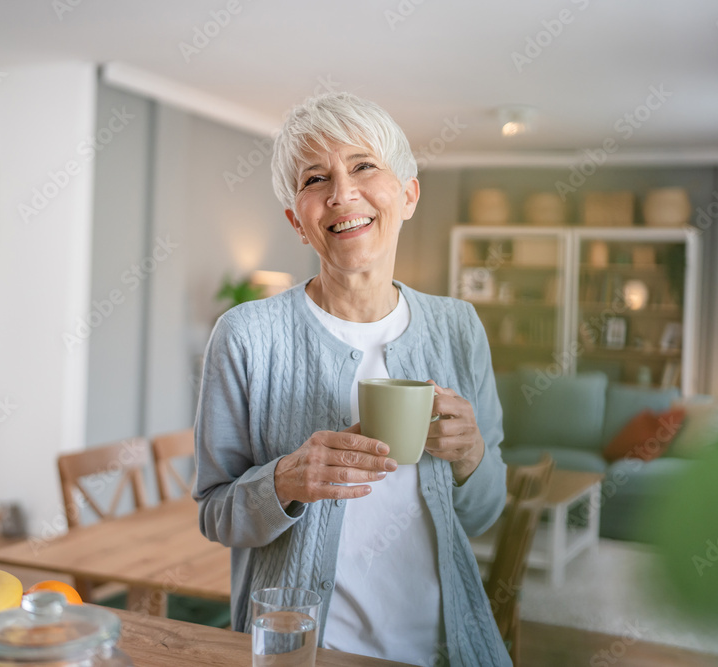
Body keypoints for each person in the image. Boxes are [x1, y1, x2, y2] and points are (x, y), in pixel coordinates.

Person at [194, 91, 511, 667]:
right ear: (297, 220)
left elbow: (486, 512)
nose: (342, 193)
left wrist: (471, 457)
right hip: (302, 651)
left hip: (441, 649)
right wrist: (283, 482)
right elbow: (215, 513)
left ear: (408, 194)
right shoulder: (243, 335)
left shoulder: (459, 327)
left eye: (364, 165)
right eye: (316, 178)